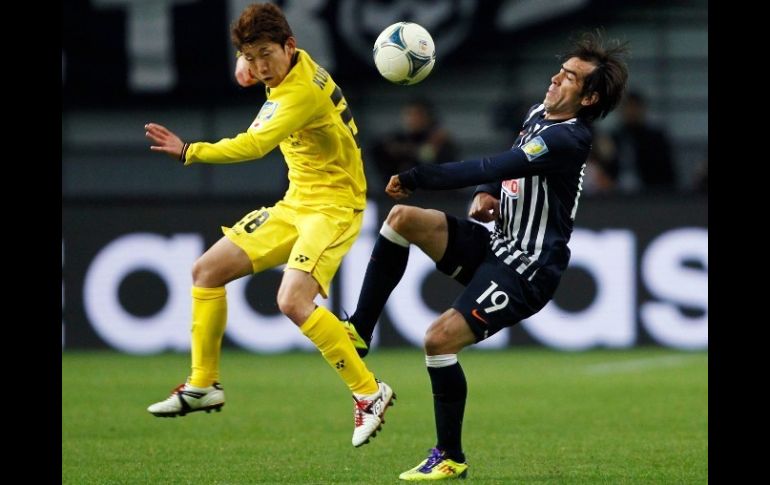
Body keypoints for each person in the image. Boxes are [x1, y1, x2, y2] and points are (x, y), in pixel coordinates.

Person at [339, 31, 629, 479]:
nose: (555, 78)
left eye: (569, 77)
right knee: (401, 219)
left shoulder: (570, 139)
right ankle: (360, 329)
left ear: (588, 98)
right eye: (560, 69)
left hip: (526, 270)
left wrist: (420, 174)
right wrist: (486, 194)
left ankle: (450, 456)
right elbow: (505, 166)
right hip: (498, 244)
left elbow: (494, 164)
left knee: (438, 340)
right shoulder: (538, 114)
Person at [143, 2, 394, 448]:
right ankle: (203, 384)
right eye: (251, 56)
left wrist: (189, 151)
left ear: (289, 47)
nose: (260, 68)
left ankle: (370, 393)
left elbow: (255, 144)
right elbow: (259, 56)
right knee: (206, 271)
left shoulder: (298, 93)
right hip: (296, 202)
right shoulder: (289, 64)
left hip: (333, 208)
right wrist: (248, 62)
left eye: (265, 56)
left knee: (292, 301)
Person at [370, 98, 460, 184]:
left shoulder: (440, 140)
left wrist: (404, 151)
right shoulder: (396, 138)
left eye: (418, 114)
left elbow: (431, 161)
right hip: (399, 194)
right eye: (409, 114)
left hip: (434, 196)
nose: (413, 119)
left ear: (428, 117)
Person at [608, 90, 676, 192]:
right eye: (627, 107)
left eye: (634, 107)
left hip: (651, 193)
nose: (631, 112)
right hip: (617, 195)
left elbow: (666, 172)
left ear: (643, 109)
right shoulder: (614, 138)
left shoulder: (655, 139)